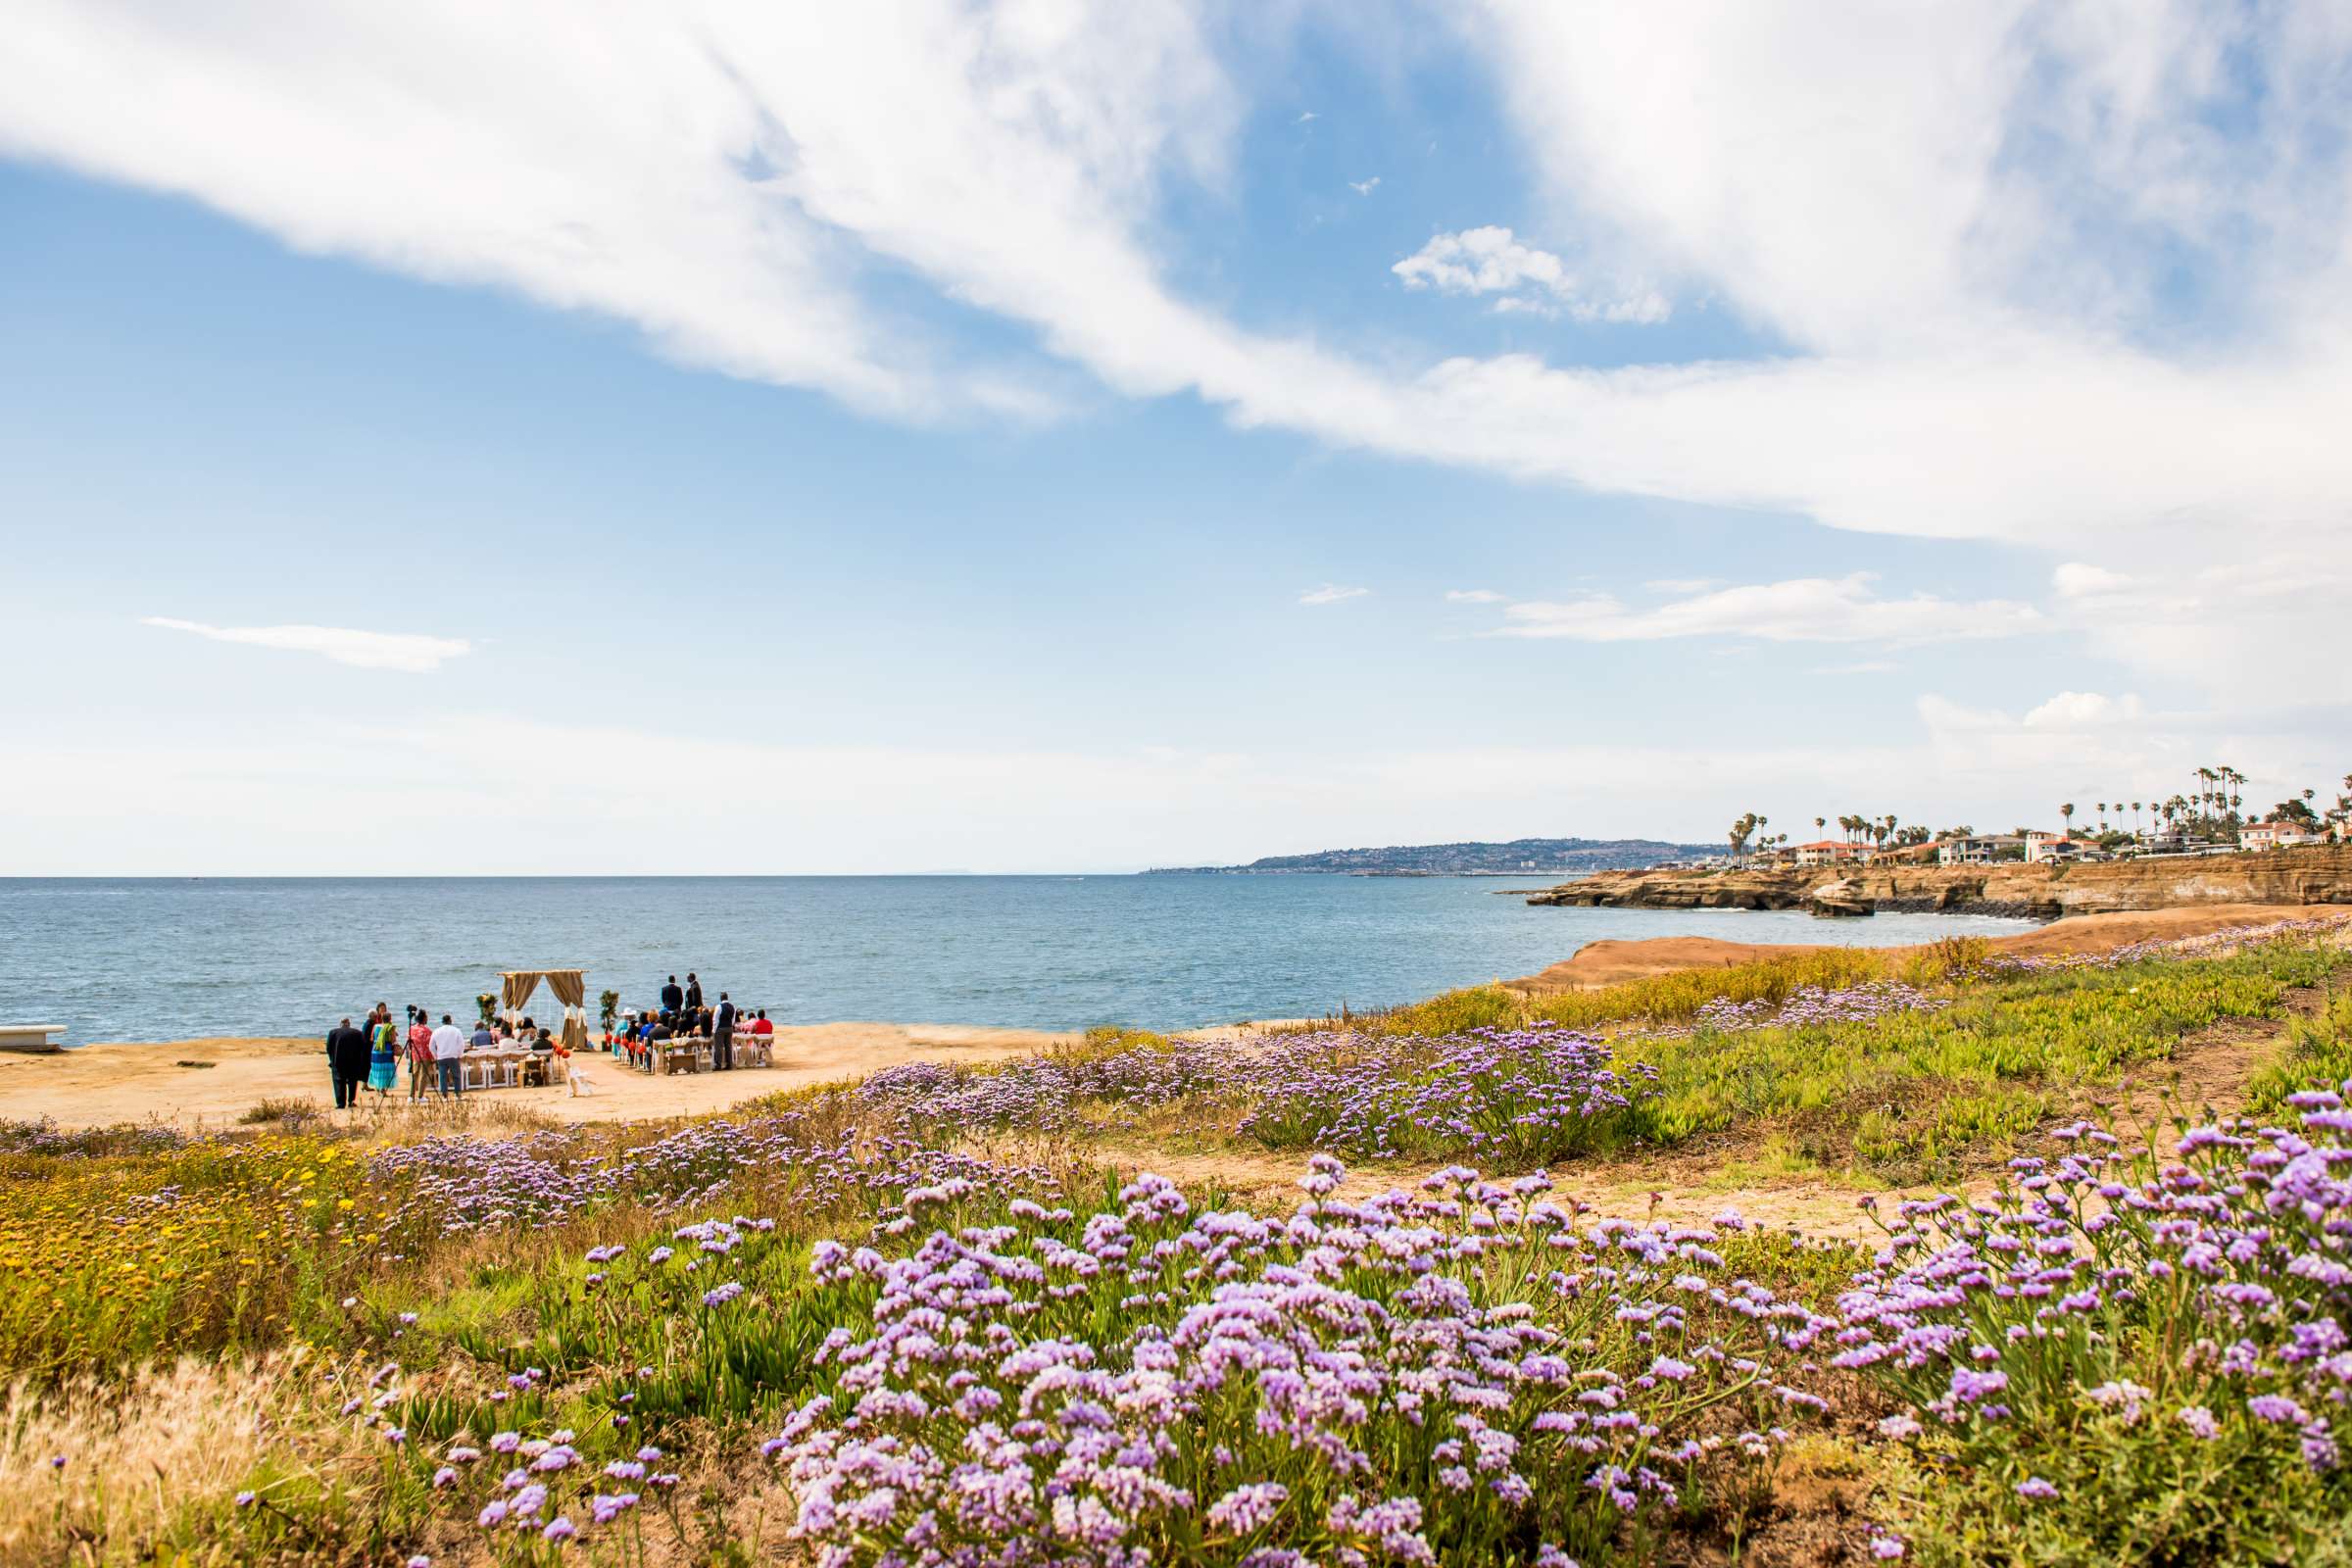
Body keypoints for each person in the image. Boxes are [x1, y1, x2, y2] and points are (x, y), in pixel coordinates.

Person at [326, 1016, 369, 1109]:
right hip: (353, 1061)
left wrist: (332, 1060)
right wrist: (360, 1061)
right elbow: (363, 1048)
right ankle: (351, 1101)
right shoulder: (357, 1033)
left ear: (340, 1024)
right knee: (352, 1082)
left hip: (338, 1061)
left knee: (338, 1082)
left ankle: (340, 1103)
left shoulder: (333, 1032)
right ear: (349, 1024)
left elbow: (329, 1048)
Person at [367, 1005, 400, 1102]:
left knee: (377, 1070)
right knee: (386, 1070)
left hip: (375, 1051)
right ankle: (383, 1090)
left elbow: (372, 1038)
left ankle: (378, 1088)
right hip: (386, 1051)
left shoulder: (376, 1026)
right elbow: (393, 1040)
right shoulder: (390, 1027)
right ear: (390, 1019)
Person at [429, 1012, 467, 1098]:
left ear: (442, 1022)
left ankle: (444, 1095)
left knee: (443, 1076)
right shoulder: (456, 1030)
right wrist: (459, 1055)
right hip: (453, 1056)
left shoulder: (436, 1031)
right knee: (456, 1076)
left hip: (441, 1057)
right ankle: (457, 1094)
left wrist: (436, 1056)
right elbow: (461, 1044)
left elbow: (431, 1046)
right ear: (450, 1021)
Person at [406, 1006, 435, 1102]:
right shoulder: (427, 1031)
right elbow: (429, 1045)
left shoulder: (411, 1028)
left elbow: (408, 1042)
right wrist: (432, 1057)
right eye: (426, 1017)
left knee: (415, 1075)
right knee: (423, 1076)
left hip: (415, 1055)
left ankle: (411, 1096)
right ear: (423, 1018)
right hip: (425, 1055)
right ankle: (420, 1096)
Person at [710, 991, 736, 1071]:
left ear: (721, 998)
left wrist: (714, 1030)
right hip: (729, 1028)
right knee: (728, 1046)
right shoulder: (732, 1006)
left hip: (720, 1028)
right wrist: (730, 1025)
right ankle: (729, 1064)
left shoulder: (719, 1006)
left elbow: (715, 1019)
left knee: (719, 1047)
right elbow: (733, 1019)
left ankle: (718, 1065)